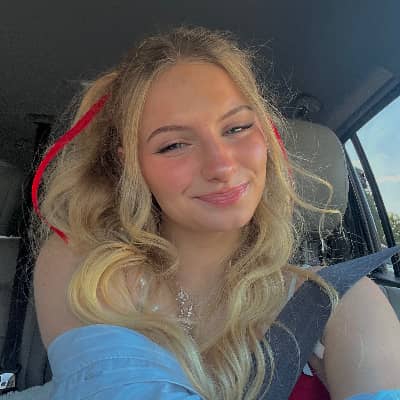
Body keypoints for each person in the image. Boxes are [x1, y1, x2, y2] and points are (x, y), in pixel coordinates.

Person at [31, 26, 400, 400]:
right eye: (174, 145)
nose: (221, 165)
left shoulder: (340, 302)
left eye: (237, 127)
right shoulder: (88, 271)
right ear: (132, 164)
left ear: (265, 135)